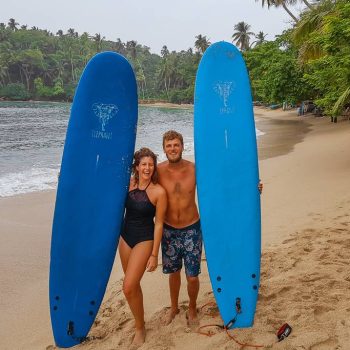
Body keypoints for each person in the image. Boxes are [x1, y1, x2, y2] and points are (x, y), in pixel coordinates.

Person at [158, 130, 263, 326]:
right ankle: (174, 307)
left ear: (182, 146)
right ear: (164, 149)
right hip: (169, 230)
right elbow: (142, 185)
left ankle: (191, 306)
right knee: (173, 274)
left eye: (176, 145)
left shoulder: (194, 169)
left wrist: (252, 186)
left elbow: (222, 183)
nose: (172, 149)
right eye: (169, 145)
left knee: (192, 276)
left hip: (192, 229)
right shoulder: (158, 171)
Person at [119, 147, 167, 347]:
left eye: (150, 164)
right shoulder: (127, 185)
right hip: (125, 237)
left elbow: (159, 224)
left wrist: (155, 254)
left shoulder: (159, 192)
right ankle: (140, 319)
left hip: (144, 238)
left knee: (128, 286)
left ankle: (140, 327)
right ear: (136, 167)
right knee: (133, 285)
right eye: (143, 164)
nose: (147, 168)